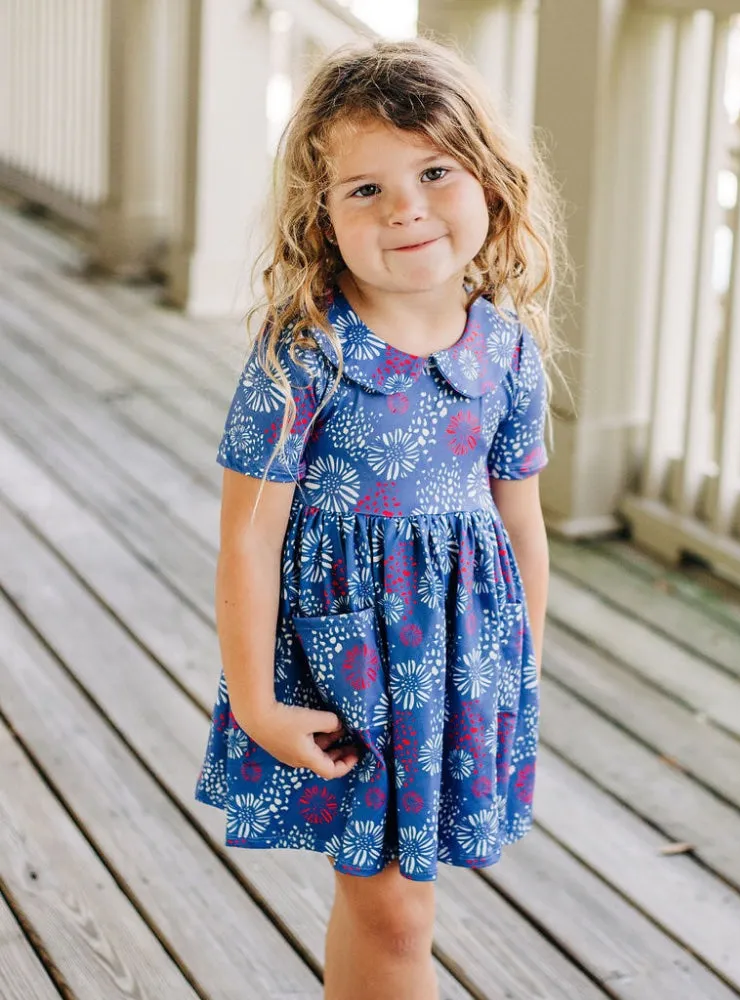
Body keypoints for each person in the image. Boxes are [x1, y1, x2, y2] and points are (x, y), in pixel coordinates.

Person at [193, 35, 563, 1000]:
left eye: (435, 171)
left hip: (456, 666)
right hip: (348, 666)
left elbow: (518, 517)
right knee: (397, 909)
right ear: (321, 218)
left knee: (381, 907)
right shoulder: (306, 355)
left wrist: (520, 659)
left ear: (491, 182)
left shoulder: (506, 354)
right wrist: (256, 701)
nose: (405, 207)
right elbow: (248, 534)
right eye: (365, 189)